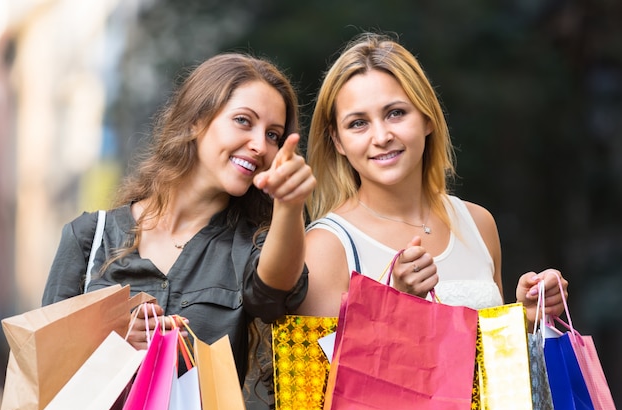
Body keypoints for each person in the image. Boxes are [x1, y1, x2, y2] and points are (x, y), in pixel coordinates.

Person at [42, 52, 316, 384]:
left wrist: (289, 205)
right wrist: (114, 350)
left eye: (273, 134)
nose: (260, 145)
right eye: (244, 121)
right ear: (195, 121)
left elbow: (274, 294)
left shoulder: (250, 247)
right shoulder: (89, 237)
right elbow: (44, 371)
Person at [296, 32, 568, 325]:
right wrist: (393, 301)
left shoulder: (478, 224)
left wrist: (527, 320)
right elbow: (323, 371)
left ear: (427, 118)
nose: (382, 136)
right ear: (338, 141)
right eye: (358, 123)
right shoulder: (325, 246)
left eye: (395, 113)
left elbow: (490, 365)